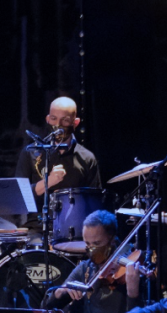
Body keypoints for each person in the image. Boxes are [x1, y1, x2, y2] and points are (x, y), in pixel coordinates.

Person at [13, 96, 101, 233]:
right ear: (47, 119)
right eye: (54, 119)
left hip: (74, 231)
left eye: (65, 120)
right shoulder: (31, 152)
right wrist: (48, 182)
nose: (58, 125)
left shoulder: (87, 158)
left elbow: (94, 203)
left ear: (75, 122)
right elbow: (17, 197)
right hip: (37, 228)